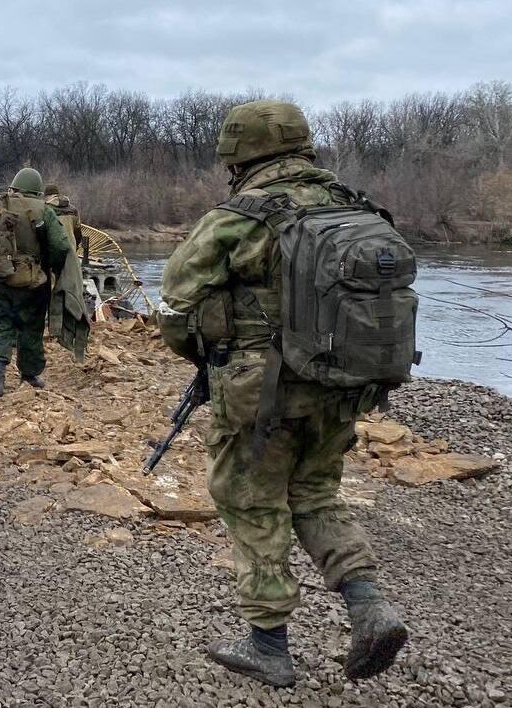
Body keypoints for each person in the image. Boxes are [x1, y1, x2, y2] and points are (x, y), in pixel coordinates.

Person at [158, 100, 408, 687]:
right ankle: (368, 603)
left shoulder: (240, 217)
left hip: (263, 397)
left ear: (238, 154)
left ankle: (269, 644)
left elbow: (175, 298)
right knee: (316, 494)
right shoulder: (357, 207)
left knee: (251, 499)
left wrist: (205, 352)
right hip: (345, 388)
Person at [0, 167, 72, 397]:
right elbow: (61, 246)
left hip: (0, 278)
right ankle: (29, 375)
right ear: (37, 189)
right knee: (31, 327)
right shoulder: (45, 211)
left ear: (15, 185)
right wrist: (50, 267)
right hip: (34, 282)